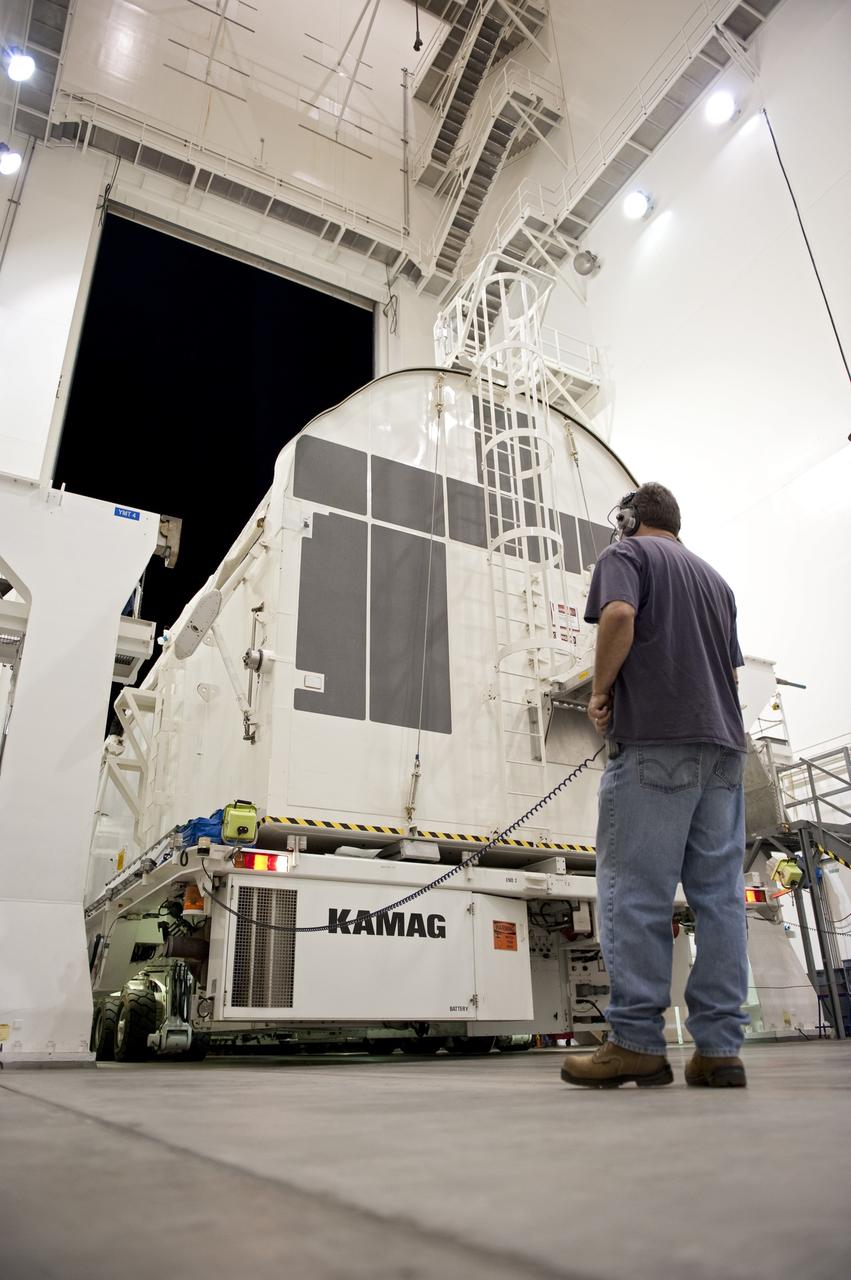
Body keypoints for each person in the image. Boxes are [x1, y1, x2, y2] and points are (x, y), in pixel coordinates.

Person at [561, 482, 749, 1090]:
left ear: (628, 520)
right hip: (723, 750)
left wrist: (599, 692)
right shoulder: (717, 582)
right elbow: (730, 670)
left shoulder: (626, 556)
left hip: (654, 745)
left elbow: (618, 615)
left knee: (635, 892)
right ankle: (719, 1049)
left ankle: (636, 1041)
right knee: (719, 900)